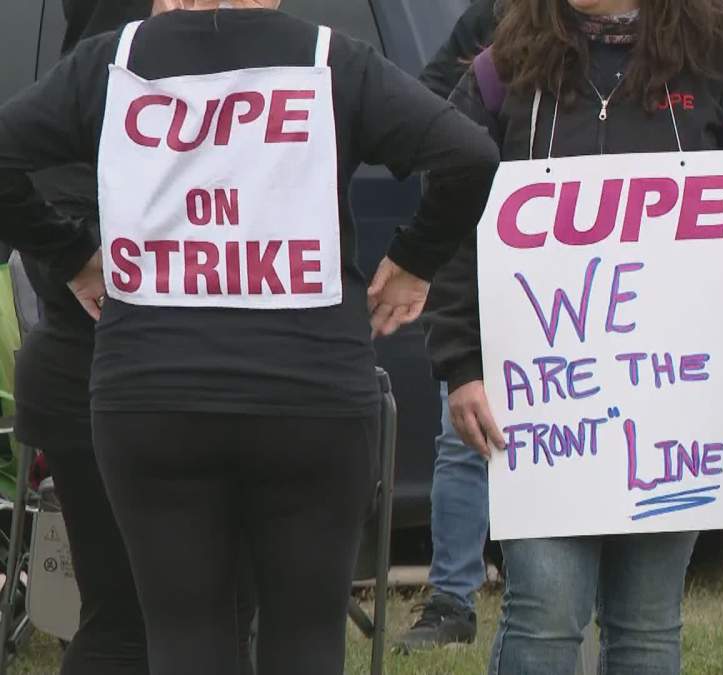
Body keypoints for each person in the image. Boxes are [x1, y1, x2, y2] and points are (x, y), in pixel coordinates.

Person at [0, 1, 498, 673]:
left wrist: (69, 254)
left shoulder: (114, 62)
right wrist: (415, 260)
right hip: (310, 397)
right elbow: (469, 153)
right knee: (304, 637)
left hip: (153, 398)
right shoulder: (331, 59)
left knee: (181, 637)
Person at [420, 0, 723, 671]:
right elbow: (450, 209)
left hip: (679, 411)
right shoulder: (503, 70)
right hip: (541, 413)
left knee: (648, 624)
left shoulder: (720, 62)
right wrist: (461, 362)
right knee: (544, 609)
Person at [14, 2, 254, 673]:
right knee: (127, 622)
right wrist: (79, 259)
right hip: (109, 387)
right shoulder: (102, 78)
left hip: (204, 388)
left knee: (215, 617)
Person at [396, 0, 501, 652]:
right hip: (497, 250)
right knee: (462, 435)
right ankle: (451, 602)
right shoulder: (495, 13)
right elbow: (431, 100)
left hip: (597, 265)